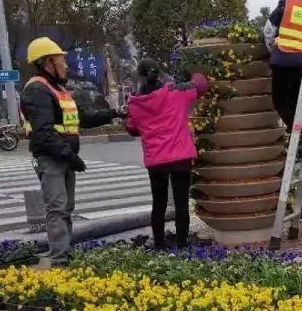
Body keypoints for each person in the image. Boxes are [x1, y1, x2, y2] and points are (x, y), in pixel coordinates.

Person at [20, 37, 120, 264]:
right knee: (56, 208)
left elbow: (81, 117)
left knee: (66, 208)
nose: (65, 65)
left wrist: (115, 113)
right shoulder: (37, 90)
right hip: (52, 159)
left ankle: (65, 251)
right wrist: (69, 156)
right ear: (48, 63)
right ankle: (59, 259)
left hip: (63, 157)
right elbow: (43, 133)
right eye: (60, 60)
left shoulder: (58, 90)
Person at [125, 59, 208, 250]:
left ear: (140, 76)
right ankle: (182, 245)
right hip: (181, 158)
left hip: (156, 161)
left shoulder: (135, 103)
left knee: (159, 204)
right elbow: (202, 84)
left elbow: (132, 128)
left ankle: (160, 245)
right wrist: (194, 71)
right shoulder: (177, 92)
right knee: (181, 203)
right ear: (160, 74)